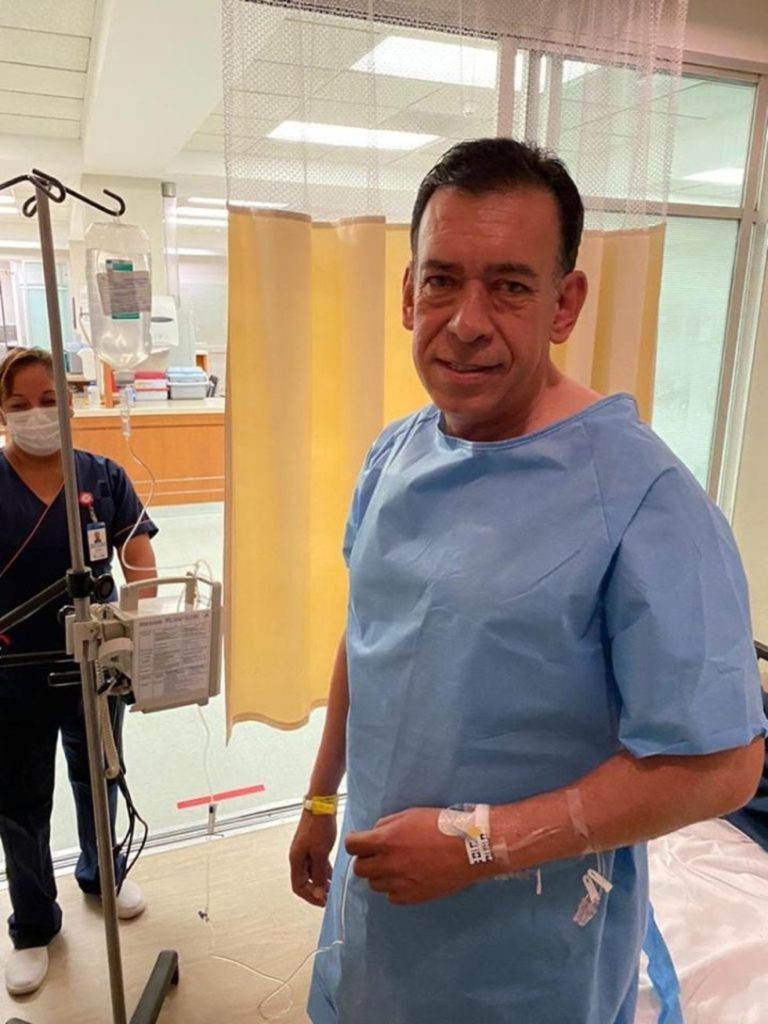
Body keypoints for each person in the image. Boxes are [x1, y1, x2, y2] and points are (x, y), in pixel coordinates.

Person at [289, 138, 768, 1024]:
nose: (467, 322)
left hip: (528, 951)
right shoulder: (394, 454)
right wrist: (322, 799)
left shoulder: (644, 500)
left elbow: (725, 767)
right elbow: (369, 635)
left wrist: (479, 846)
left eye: (509, 286)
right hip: (379, 904)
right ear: (408, 293)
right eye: (442, 281)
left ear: (564, 303)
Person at [0, 347, 158, 997]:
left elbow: (139, 559)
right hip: (13, 671)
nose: (36, 414)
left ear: (70, 404)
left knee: (99, 774)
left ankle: (102, 873)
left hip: (95, 663)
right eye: (19, 404)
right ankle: (34, 923)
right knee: (20, 801)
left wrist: (136, 633)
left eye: (49, 401)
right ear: (2, 412)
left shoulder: (102, 476)